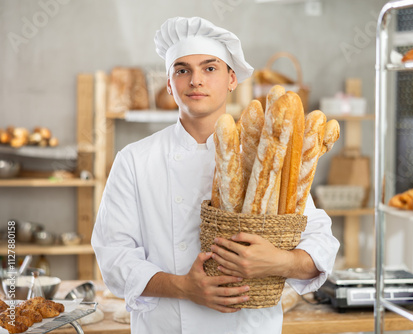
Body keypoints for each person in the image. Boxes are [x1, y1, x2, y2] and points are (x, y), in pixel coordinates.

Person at [91, 16, 339, 334]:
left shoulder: (265, 158)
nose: (196, 80)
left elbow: (321, 243)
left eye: (210, 68)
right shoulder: (135, 160)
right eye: (182, 70)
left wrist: (279, 261)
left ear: (232, 79)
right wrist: (184, 287)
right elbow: (113, 257)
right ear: (169, 83)